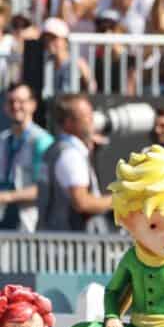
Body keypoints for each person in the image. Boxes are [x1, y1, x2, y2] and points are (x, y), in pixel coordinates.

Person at [69, 145, 164, 327]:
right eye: (153, 226)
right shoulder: (132, 258)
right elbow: (113, 291)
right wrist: (112, 317)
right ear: (128, 221)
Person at [36, 94, 112, 232]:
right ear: (68, 123)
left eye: (91, 114)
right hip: (69, 246)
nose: (92, 120)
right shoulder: (71, 155)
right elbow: (81, 202)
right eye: (86, 116)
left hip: (52, 238)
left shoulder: (56, 149)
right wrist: (118, 201)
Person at [0, 83, 53, 232]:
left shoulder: (42, 141)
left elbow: (45, 188)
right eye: (11, 102)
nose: (16, 106)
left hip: (28, 224)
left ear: (32, 105)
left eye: (21, 102)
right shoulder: (3, 141)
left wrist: (7, 196)